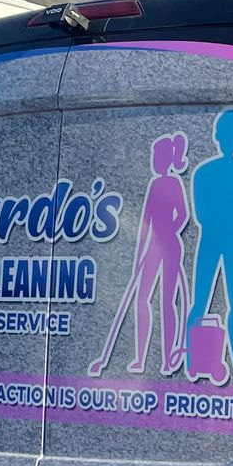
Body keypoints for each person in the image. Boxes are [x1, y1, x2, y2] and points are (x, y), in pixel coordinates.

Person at [90, 132, 188, 376]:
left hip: (171, 246)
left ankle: (167, 359)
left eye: (156, 155)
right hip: (154, 247)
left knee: (168, 301)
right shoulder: (155, 185)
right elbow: (145, 223)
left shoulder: (174, 182)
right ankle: (139, 358)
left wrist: (168, 233)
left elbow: (183, 214)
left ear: (165, 158)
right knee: (141, 299)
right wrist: (138, 260)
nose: (154, 159)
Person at [186, 108, 233, 381]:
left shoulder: (204, 173)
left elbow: (202, 213)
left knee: (204, 303)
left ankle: (193, 360)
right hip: (229, 238)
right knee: (231, 303)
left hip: (213, 238)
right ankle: (231, 362)